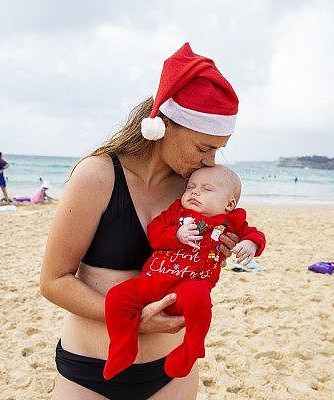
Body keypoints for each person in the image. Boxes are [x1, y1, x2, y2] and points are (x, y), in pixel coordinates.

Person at [40, 43, 242, 400]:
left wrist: (221, 248)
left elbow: (196, 268)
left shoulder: (195, 188)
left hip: (171, 374)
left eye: (217, 149)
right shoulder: (98, 177)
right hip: (90, 373)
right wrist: (131, 319)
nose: (210, 161)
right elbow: (54, 281)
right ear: (163, 124)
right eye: (203, 146)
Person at [103, 165, 265, 380]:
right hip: (153, 280)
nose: (195, 192)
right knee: (117, 296)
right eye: (190, 187)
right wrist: (175, 234)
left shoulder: (231, 221)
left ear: (229, 204)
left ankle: (192, 347)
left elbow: (255, 234)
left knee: (199, 298)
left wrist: (250, 244)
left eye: (206, 189)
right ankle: (123, 347)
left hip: (189, 286)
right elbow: (154, 232)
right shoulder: (176, 212)